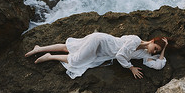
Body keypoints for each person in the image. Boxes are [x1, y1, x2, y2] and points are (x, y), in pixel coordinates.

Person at [25, 32, 169, 79]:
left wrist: (164, 49)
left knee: (70, 47)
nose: (154, 51)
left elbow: (158, 65)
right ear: (151, 41)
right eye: (155, 47)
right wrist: (131, 68)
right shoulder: (135, 40)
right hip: (99, 42)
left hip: (101, 45)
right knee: (75, 60)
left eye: (156, 51)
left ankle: (39, 48)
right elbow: (120, 56)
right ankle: (48, 55)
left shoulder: (143, 53)